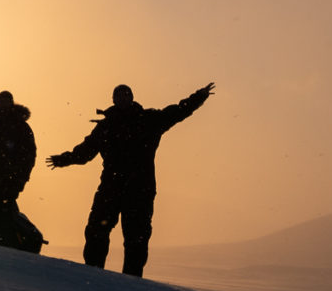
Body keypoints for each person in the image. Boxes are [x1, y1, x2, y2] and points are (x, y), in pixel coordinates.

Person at [47, 82, 215, 277]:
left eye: (126, 95)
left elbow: (177, 112)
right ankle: (92, 274)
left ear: (132, 98)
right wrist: (63, 159)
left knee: (137, 237)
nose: (123, 99)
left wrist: (199, 97)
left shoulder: (149, 120)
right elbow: (85, 152)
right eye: (119, 96)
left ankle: (132, 280)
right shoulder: (106, 127)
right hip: (111, 187)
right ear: (113, 100)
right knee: (96, 230)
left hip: (140, 190)